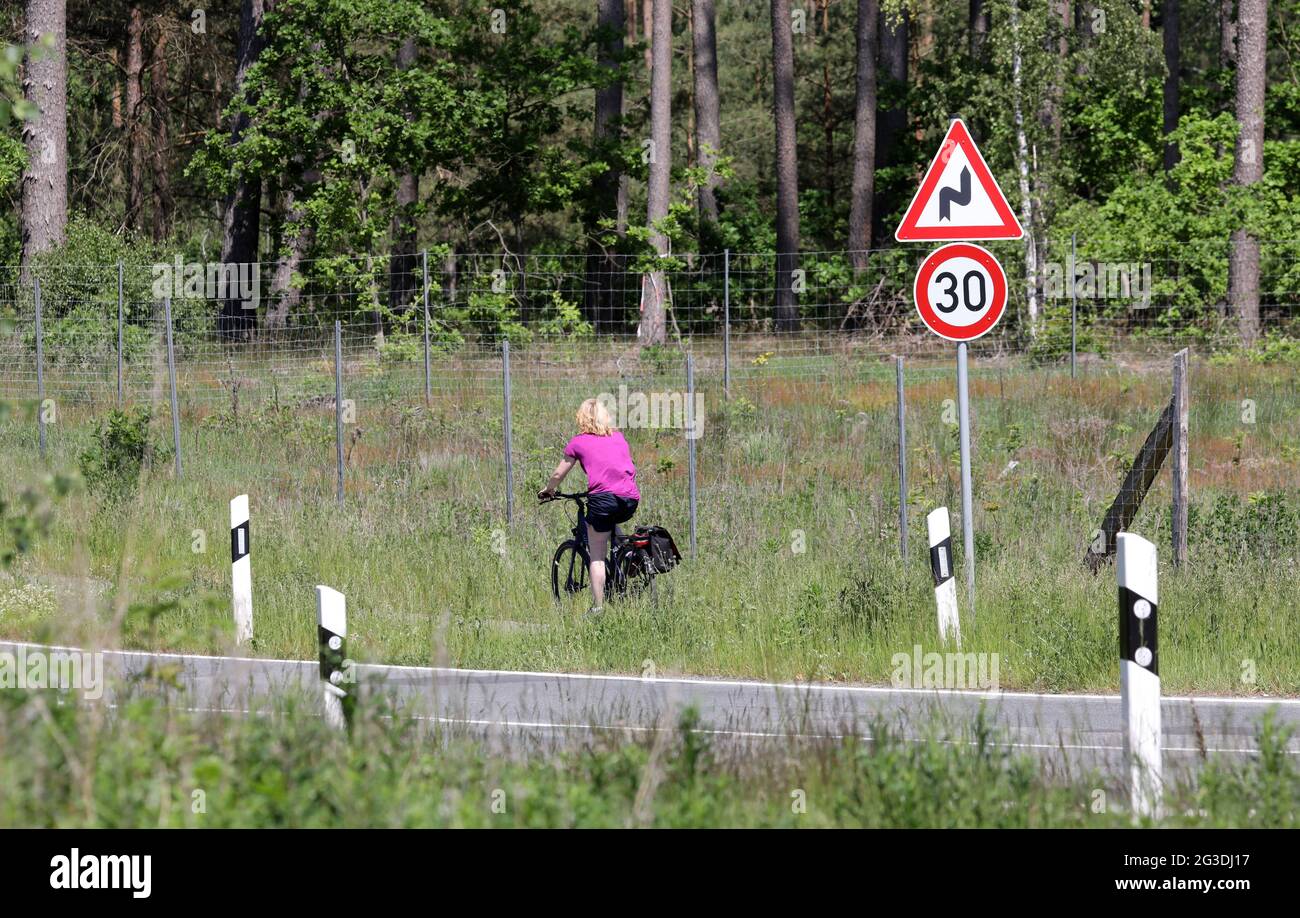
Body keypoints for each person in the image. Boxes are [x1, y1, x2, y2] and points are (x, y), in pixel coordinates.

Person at [538, 398, 639, 615]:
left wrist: (549, 490)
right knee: (611, 519)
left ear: (582, 419)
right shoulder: (619, 437)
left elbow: (558, 474)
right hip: (630, 499)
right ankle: (627, 555)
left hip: (603, 500)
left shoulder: (579, 442)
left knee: (597, 556)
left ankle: (598, 608)